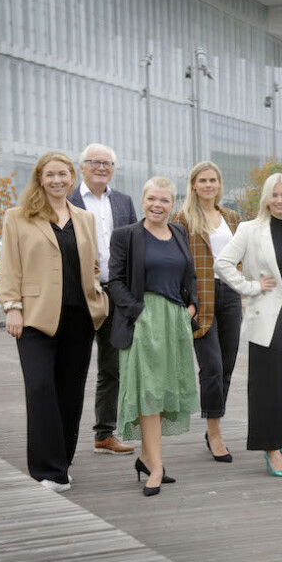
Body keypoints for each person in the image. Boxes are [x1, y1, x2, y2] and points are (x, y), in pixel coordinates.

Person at [0, 151, 109, 492]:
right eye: (50, 174)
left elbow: (92, 265)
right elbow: (10, 265)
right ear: (40, 178)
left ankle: (62, 459)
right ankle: (48, 471)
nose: (57, 180)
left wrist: (99, 302)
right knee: (40, 388)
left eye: (63, 173)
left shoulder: (84, 218)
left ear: (71, 178)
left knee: (70, 391)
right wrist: (12, 307)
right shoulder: (18, 217)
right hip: (35, 318)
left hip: (79, 317)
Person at [215, 173, 282, 477]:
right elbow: (222, 264)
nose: (279, 201)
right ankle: (271, 448)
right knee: (268, 388)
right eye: (274, 195)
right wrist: (251, 286)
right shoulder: (250, 230)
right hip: (267, 321)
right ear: (266, 198)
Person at [108, 177, 199, 496]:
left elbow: (190, 275)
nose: (157, 205)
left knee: (162, 393)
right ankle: (157, 467)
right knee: (148, 392)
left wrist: (191, 307)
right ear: (143, 200)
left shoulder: (179, 232)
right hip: (143, 321)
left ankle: (147, 458)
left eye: (164, 200)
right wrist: (138, 312)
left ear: (172, 204)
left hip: (175, 322)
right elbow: (115, 281)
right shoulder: (126, 236)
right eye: (152, 199)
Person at [69, 143, 137, 456]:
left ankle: (104, 434)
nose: (101, 167)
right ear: (81, 166)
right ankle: (62, 434)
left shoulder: (123, 202)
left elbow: (136, 246)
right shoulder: (67, 199)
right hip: (77, 293)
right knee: (71, 366)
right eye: (94, 162)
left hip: (114, 293)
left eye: (107, 163)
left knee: (111, 368)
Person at [172, 161, 241, 463]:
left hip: (231, 295)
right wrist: (184, 300)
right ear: (194, 184)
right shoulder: (182, 218)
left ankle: (215, 421)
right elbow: (177, 262)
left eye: (213, 179)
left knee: (226, 365)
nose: (208, 185)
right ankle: (214, 432)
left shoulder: (233, 217)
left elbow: (243, 254)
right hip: (201, 296)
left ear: (219, 183)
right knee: (211, 366)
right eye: (203, 180)